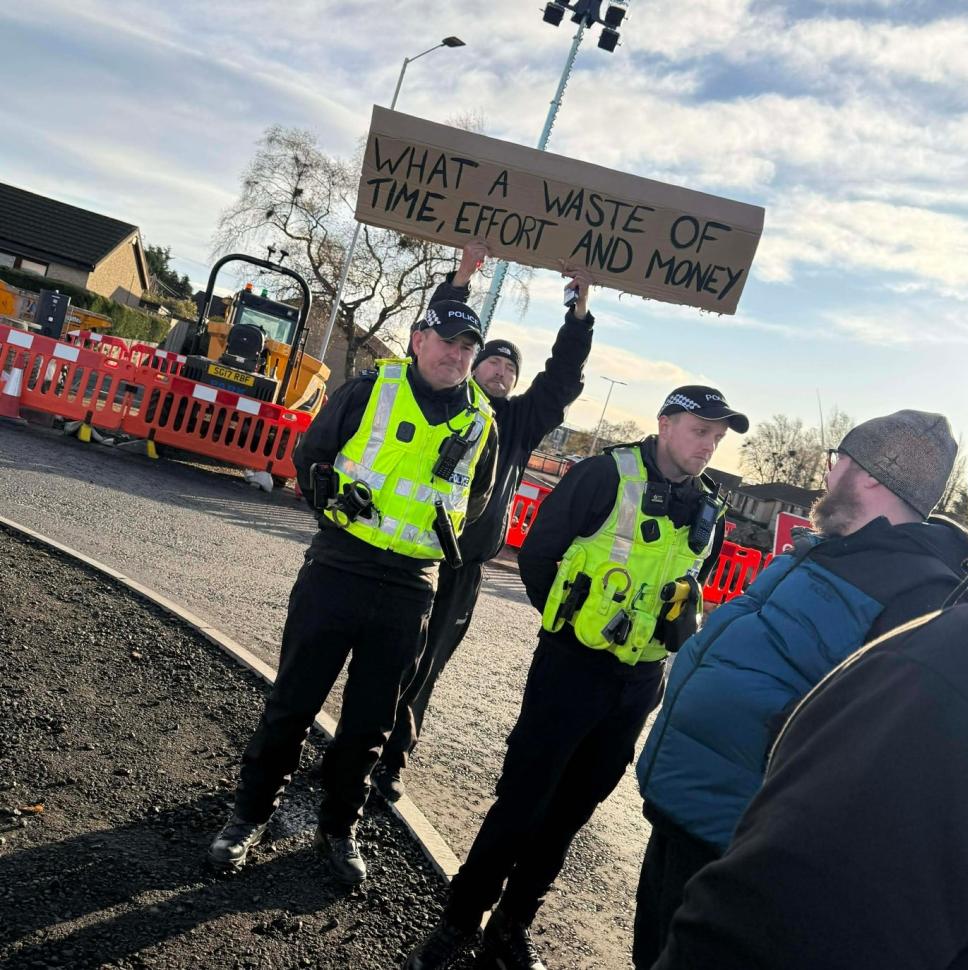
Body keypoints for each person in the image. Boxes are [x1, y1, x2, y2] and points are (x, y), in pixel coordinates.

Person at [404, 386, 749, 970]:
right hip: (572, 669)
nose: (709, 446)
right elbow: (540, 557)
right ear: (665, 424)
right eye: (700, 430)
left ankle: (510, 928)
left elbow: (689, 586)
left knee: (571, 814)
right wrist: (568, 629)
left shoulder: (710, 506)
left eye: (717, 437)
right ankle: (459, 922)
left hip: (638, 683)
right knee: (522, 802)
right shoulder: (603, 475)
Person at [632, 409, 968, 969]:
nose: (828, 474)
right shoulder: (829, 547)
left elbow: (867, 742)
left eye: (838, 460)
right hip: (682, 805)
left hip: (732, 837)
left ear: (868, 474)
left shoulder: (917, 593)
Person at [207, 295, 497, 884]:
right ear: (419, 340)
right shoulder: (370, 390)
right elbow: (310, 458)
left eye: (468, 347)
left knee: (370, 726)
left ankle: (339, 827)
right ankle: (248, 816)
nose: (457, 354)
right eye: (447, 341)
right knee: (292, 703)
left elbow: (477, 504)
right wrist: (335, 504)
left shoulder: (482, 423)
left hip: (411, 588)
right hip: (339, 569)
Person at [375, 241, 595, 803]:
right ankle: (356, 745)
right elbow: (426, 339)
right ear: (473, 364)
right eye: (491, 360)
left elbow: (562, 379)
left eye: (509, 366)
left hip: (465, 567)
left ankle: (391, 760)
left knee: (427, 665)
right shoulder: (446, 398)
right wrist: (462, 277)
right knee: (385, 652)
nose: (500, 370)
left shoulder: (521, 421)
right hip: (412, 553)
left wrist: (579, 312)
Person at [652, 595, 968, 970]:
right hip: (689, 798)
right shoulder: (824, 557)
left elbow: (785, 921)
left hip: (723, 824)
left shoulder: (941, 652)